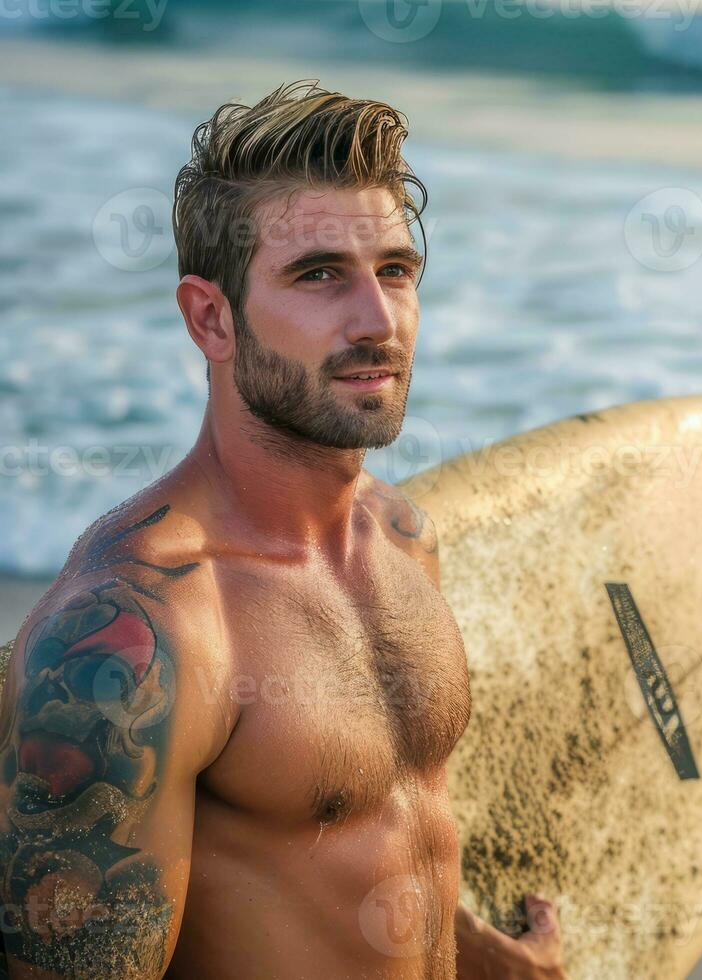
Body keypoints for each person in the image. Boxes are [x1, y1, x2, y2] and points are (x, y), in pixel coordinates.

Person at [0, 79, 567, 979]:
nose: (379, 321)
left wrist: (478, 956)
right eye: (319, 277)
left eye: (395, 270)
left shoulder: (403, 539)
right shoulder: (139, 631)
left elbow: (380, 834)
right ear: (211, 317)